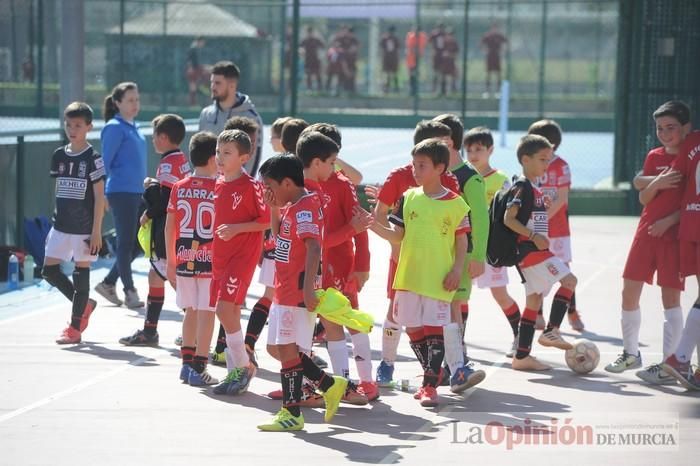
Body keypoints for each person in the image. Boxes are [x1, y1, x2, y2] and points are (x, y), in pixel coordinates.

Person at [370, 138, 470, 407]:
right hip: (408, 276)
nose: (415, 170)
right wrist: (372, 225)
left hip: (438, 278)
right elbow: (397, 236)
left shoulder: (457, 204)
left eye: (422, 165)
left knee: (434, 329)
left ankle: (429, 386)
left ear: (440, 168)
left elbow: (462, 242)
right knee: (413, 328)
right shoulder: (407, 198)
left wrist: (457, 269)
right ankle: (433, 371)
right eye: (414, 164)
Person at [256, 154, 349, 432]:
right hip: (285, 290)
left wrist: (308, 290)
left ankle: (292, 411)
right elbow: (280, 238)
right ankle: (329, 385)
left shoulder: (304, 207)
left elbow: (314, 248)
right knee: (282, 348)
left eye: (270, 185)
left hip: (296, 292)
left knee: (287, 349)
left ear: (287, 182)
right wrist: (274, 209)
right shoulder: (292, 205)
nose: (267, 191)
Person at [603, 101, 687, 379]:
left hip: (673, 237)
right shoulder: (654, 155)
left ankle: (669, 364)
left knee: (670, 297)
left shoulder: (691, 158)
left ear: (686, 127)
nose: (664, 133)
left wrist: (669, 221)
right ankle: (630, 354)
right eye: (660, 128)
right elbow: (643, 196)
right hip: (645, 233)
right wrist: (654, 183)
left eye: (671, 127)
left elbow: (691, 201)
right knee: (629, 290)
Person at [301, 125, 376, 402]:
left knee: (350, 318)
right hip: (313, 267)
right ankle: (332, 383)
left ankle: (366, 380)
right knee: (320, 324)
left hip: (340, 265)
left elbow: (360, 226)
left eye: (334, 159)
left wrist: (362, 265)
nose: (332, 165)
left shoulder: (343, 184)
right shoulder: (301, 184)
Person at [504, 135, 577, 371]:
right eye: (542, 159)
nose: (547, 164)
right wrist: (534, 236)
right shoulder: (522, 185)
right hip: (531, 252)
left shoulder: (533, 187)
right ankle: (552, 331)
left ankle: (522, 356)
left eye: (549, 159)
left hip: (531, 252)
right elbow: (508, 219)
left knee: (534, 300)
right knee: (569, 280)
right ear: (525, 159)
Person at [120, 114, 191, 346]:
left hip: (169, 230)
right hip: (181, 228)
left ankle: (195, 327)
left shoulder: (168, 163)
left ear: (163, 137)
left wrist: (147, 210)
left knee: (175, 280)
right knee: (157, 276)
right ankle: (150, 331)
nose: (153, 141)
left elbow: (165, 199)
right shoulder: (181, 159)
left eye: (155, 137)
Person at [209, 130, 270, 396]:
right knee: (228, 312)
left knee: (224, 310)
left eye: (227, 153)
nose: (220, 157)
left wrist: (236, 229)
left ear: (244, 157)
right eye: (218, 151)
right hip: (220, 256)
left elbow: (267, 220)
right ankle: (235, 372)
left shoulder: (251, 185)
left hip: (241, 257)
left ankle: (244, 367)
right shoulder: (219, 182)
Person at [434, 114, 488, 392]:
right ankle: (449, 366)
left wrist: (478, 256)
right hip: (436, 254)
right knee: (442, 308)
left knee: (453, 306)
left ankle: (458, 365)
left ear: (448, 141)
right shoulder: (435, 173)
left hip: (461, 255)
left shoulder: (469, 177)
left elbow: (480, 218)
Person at [43, 102, 105, 344]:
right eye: (68, 124)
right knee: (48, 270)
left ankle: (74, 328)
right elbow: (58, 190)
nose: (72, 129)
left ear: (89, 127)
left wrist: (96, 230)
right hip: (61, 225)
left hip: (84, 229)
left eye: (78, 125)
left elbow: (100, 196)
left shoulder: (93, 158)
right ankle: (85, 305)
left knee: (81, 276)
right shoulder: (58, 155)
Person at [166, 131, 219, 386]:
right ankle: (200, 366)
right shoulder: (219, 188)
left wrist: (170, 262)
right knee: (208, 313)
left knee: (190, 311)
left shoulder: (179, 186)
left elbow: (169, 227)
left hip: (185, 256)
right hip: (209, 259)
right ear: (212, 159)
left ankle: (186, 366)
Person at [464, 126, 521, 357]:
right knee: (461, 296)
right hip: (466, 247)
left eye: (479, 149)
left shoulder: (501, 180)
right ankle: (460, 342)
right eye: (469, 149)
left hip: (491, 249)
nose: (473, 154)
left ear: (490, 150)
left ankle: (520, 337)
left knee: (500, 294)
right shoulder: (463, 177)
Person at [528, 120, 585, 331]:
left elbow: (561, 199)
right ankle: (538, 314)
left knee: (564, 270)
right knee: (536, 268)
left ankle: (572, 312)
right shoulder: (530, 164)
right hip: (536, 230)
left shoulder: (561, 166)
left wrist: (541, 219)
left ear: (551, 144)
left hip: (558, 229)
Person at [94, 82, 146, 309]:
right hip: (120, 193)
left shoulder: (134, 126)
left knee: (139, 245)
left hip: (137, 193)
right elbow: (103, 163)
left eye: (137, 99)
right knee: (125, 244)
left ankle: (108, 282)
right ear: (117, 103)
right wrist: (102, 194)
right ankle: (130, 291)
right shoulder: (114, 127)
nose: (135, 104)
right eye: (130, 100)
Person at [662, 106, 700, 390]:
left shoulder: (692, 143)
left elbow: (679, 175)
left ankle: (689, 363)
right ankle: (682, 357)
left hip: (691, 223)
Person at [199, 61, 263, 176]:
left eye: (218, 83)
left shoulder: (251, 117)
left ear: (232, 85)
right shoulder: (205, 114)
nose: (213, 87)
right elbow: (199, 153)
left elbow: (253, 159)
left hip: (237, 188)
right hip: (209, 188)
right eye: (212, 82)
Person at [480, 23, 507, 96]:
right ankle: (487, 91)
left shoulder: (499, 35)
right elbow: (481, 43)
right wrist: (485, 51)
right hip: (489, 56)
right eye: (493, 27)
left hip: (497, 56)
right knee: (488, 73)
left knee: (498, 74)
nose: (494, 29)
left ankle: (498, 91)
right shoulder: (488, 35)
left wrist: (503, 51)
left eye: (496, 27)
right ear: (491, 28)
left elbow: (506, 42)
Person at [300, 26, 325, 92]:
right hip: (308, 59)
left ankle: (320, 88)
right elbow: (300, 47)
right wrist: (302, 52)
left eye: (311, 32)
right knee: (308, 74)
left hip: (315, 59)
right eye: (309, 32)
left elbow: (323, 46)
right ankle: (309, 88)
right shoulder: (305, 40)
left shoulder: (316, 39)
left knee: (318, 74)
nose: (310, 34)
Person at [405, 26, 427, 96]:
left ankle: (415, 90)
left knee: (416, 74)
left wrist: (419, 53)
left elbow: (422, 46)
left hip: (417, 58)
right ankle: (412, 90)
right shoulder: (411, 36)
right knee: (412, 74)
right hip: (411, 58)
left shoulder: (422, 37)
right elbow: (410, 48)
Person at [185, 36, 207, 106]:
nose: (203, 44)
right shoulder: (192, 48)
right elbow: (189, 60)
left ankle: (193, 102)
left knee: (194, 86)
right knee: (193, 86)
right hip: (194, 70)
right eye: (202, 42)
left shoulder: (195, 48)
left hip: (196, 69)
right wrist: (190, 68)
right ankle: (192, 103)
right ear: (199, 41)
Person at [380, 26, 400, 93]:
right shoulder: (387, 38)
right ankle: (387, 88)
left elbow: (397, 47)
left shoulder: (392, 38)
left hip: (391, 58)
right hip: (389, 58)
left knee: (392, 74)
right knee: (388, 74)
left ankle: (394, 88)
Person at [429, 23, 446, 93]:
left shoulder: (444, 34)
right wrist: (433, 49)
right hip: (436, 55)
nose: (440, 29)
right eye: (439, 27)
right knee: (435, 72)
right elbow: (429, 41)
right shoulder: (434, 34)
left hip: (443, 55)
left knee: (443, 72)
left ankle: (442, 89)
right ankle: (434, 88)